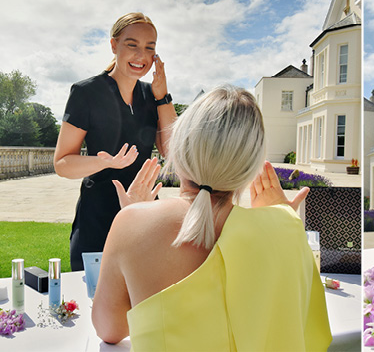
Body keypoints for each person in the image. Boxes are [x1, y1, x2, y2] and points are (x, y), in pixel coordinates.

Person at [91, 86, 332, 351]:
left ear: (180, 146)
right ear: (249, 164)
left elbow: (109, 328)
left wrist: (134, 218)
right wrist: (279, 221)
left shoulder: (132, 222)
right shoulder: (284, 227)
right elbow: (296, 320)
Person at [53, 12, 177, 271]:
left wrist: (163, 97)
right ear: (114, 45)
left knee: (143, 303)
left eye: (149, 48)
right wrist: (103, 162)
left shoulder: (151, 95)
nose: (141, 56)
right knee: (94, 304)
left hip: (144, 214)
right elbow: (62, 164)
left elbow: (172, 149)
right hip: (97, 217)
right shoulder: (86, 92)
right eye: (132, 45)